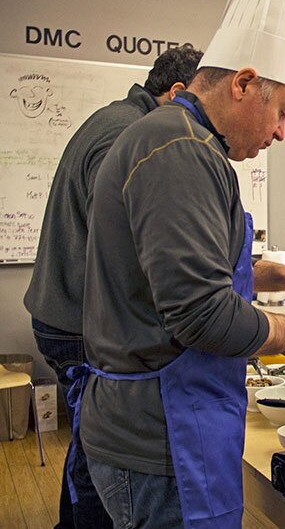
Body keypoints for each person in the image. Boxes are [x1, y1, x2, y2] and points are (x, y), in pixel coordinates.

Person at [76, 0, 285, 526]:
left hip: (164, 422)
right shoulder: (181, 152)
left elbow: (207, 268)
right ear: (244, 83)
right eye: (283, 112)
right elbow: (201, 312)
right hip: (161, 435)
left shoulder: (179, 140)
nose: (279, 133)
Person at [23, 44, 203, 529]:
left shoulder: (114, 118)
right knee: (99, 449)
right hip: (79, 322)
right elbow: (132, 248)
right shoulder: (132, 135)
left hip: (64, 314)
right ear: (178, 92)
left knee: (89, 442)